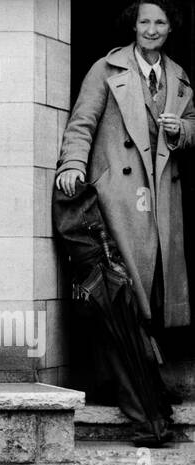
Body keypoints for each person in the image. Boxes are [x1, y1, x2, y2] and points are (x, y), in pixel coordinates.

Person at [56, 2, 193, 335]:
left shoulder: (178, 76)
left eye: (159, 22)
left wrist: (181, 131)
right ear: (133, 25)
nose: (151, 29)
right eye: (144, 21)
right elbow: (81, 123)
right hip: (118, 193)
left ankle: (151, 354)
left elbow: (192, 123)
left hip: (160, 195)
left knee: (157, 278)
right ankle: (133, 357)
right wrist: (73, 164)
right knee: (122, 279)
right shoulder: (106, 68)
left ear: (170, 27)